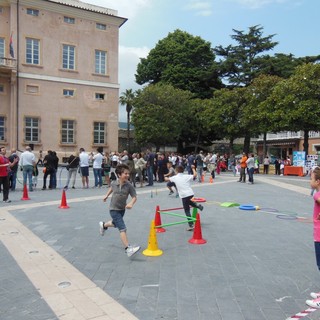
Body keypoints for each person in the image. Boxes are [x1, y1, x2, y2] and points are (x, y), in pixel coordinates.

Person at [98, 164, 140, 257]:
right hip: (113, 209)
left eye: (128, 174)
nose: (128, 175)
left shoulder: (129, 185)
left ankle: (104, 225)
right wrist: (106, 195)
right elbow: (111, 188)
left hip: (122, 209)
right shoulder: (114, 183)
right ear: (119, 175)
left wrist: (131, 203)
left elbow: (134, 197)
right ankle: (128, 249)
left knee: (115, 223)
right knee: (122, 228)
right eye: (125, 173)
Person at [165, 165, 203, 231]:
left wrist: (164, 176)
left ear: (176, 171)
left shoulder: (175, 177)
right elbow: (195, 175)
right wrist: (193, 168)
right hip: (190, 193)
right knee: (190, 203)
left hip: (184, 195)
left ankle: (191, 225)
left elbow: (166, 179)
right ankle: (198, 206)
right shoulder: (186, 176)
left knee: (187, 210)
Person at [305, 167, 320, 308]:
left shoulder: (317, 195)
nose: (310, 181)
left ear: (318, 181)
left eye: (311, 179)